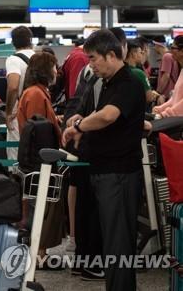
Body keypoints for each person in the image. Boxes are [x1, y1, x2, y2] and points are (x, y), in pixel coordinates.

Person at [63, 29, 146, 291]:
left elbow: (108, 115)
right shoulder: (110, 83)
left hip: (119, 174)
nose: (90, 64)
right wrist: (81, 119)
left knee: (118, 243)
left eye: (93, 58)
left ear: (111, 55)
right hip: (105, 171)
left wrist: (80, 127)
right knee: (112, 241)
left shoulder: (129, 81)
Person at [17, 51, 66, 260]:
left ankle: (40, 252)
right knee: (41, 206)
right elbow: (38, 128)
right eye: (54, 66)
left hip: (39, 160)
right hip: (40, 161)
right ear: (46, 70)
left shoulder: (36, 92)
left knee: (42, 205)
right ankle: (39, 253)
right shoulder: (36, 94)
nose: (57, 71)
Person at [5, 26, 35, 164]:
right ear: (30, 40)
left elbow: (13, 87)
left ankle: (17, 183)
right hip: (38, 110)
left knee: (16, 155)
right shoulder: (39, 57)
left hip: (19, 113)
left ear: (13, 42)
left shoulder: (13, 60)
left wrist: (8, 112)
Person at [154, 35, 183, 118]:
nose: (170, 51)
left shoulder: (166, 56)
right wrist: (160, 109)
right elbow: (175, 98)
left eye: (173, 48)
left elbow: (166, 76)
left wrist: (165, 114)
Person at [125, 40, 158, 104]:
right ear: (133, 54)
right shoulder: (139, 73)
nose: (142, 55)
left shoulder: (120, 71)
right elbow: (149, 98)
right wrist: (154, 96)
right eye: (141, 52)